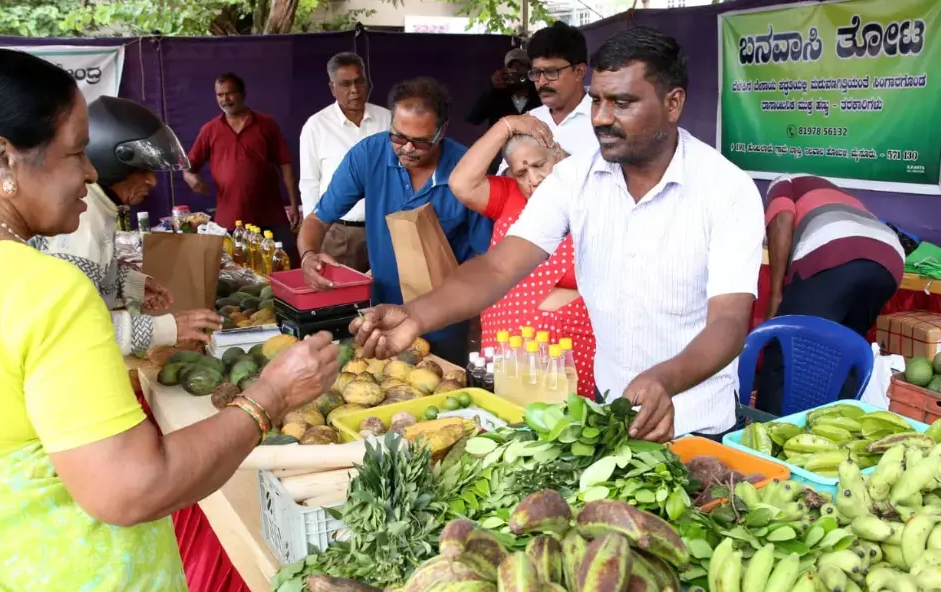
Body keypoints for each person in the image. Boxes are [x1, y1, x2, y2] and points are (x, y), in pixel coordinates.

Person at [0, 48, 341, 592]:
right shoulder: (37, 290)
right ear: (2, 159)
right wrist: (270, 397)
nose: (89, 176)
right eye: (73, 153)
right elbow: (131, 488)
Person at [351, 27, 765, 442]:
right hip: (612, 417)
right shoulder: (575, 178)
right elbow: (497, 268)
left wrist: (666, 379)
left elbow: (729, 322)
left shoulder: (725, 190)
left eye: (622, 103)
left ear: (673, 103)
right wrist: (417, 314)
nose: (602, 117)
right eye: (598, 100)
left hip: (699, 426)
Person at [298, 77, 493, 364]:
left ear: (443, 131)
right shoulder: (369, 154)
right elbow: (318, 218)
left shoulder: (467, 170)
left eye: (421, 141)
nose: (407, 149)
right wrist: (307, 255)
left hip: (444, 320)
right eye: (398, 136)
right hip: (382, 314)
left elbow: (486, 258)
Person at [36, 95, 222, 355]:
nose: (152, 182)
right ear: (111, 164)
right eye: (143, 171)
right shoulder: (81, 222)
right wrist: (169, 328)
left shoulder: (96, 208)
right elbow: (76, 328)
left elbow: (91, 283)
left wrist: (129, 284)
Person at [449, 113, 597, 398]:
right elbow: (461, 183)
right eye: (521, 173)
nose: (534, 180)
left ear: (558, 154)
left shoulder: (589, 193)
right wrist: (506, 125)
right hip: (506, 351)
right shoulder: (509, 196)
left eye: (540, 165)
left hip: (567, 352)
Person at [756, 173, 905, 415]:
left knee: (786, 347)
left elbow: (781, 219)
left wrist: (776, 295)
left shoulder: (783, 181)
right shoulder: (837, 194)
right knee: (845, 350)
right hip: (890, 257)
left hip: (834, 249)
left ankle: (768, 431)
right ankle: (835, 426)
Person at [182, 72, 300, 259]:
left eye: (229, 93)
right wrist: (191, 178)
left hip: (271, 216)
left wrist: (294, 203)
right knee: (239, 275)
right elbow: (188, 167)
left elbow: (285, 164)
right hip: (231, 221)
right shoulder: (209, 130)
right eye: (220, 95)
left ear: (243, 94)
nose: (225, 99)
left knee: (285, 265)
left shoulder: (266, 124)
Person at [299, 52, 391, 273]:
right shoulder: (317, 126)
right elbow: (310, 182)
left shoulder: (389, 119)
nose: (355, 90)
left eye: (359, 81)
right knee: (341, 299)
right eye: (346, 84)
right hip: (338, 232)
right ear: (332, 88)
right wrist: (315, 234)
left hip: (385, 230)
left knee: (387, 296)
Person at [523, 22, 598, 158]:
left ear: (579, 71)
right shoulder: (528, 120)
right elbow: (506, 173)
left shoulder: (603, 118)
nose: (542, 81)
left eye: (551, 72)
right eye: (536, 73)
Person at [466, 48, 542, 129]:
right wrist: (491, 88)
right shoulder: (496, 97)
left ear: (530, 71)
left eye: (521, 66)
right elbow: (472, 118)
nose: (516, 71)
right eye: (511, 67)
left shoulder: (539, 97)